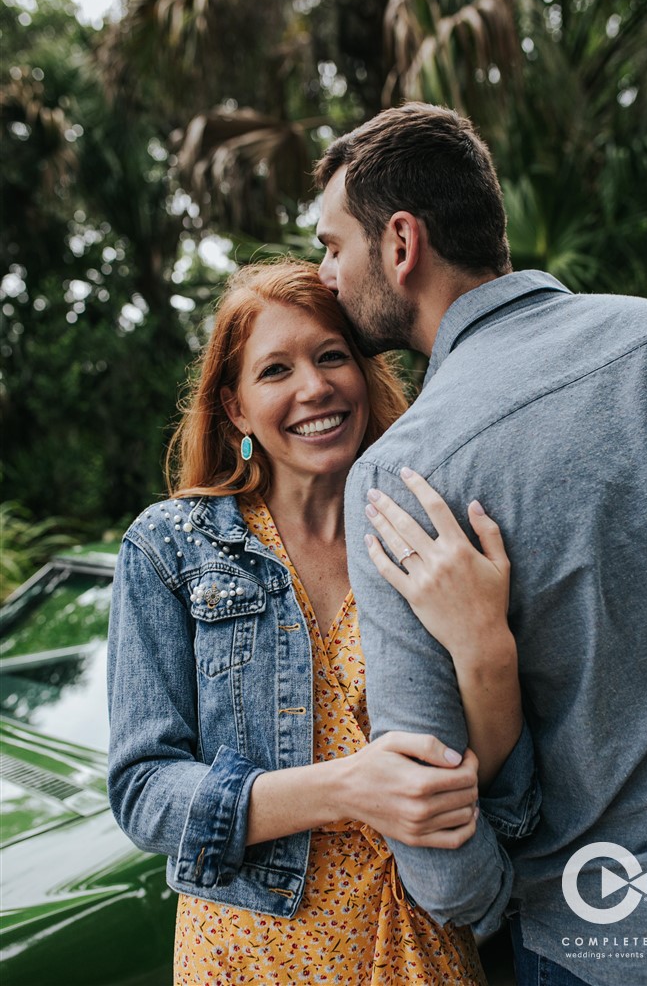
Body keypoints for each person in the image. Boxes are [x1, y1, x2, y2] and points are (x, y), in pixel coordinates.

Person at [314, 102, 647, 986]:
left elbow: (429, 802)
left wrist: (485, 906)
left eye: (331, 246)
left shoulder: (404, 475)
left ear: (401, 244)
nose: (324, 275)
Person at [107, 259, 529, 985]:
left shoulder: (427, 534)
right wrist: (346, 788)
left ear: (364, 375)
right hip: (250, 955)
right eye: (275, 370)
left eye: (332, 355)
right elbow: (144, 791)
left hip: (420, 937)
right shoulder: (169, 548)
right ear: (235, 408)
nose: (314, 387)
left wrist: (488, 648)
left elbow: (494, 786)